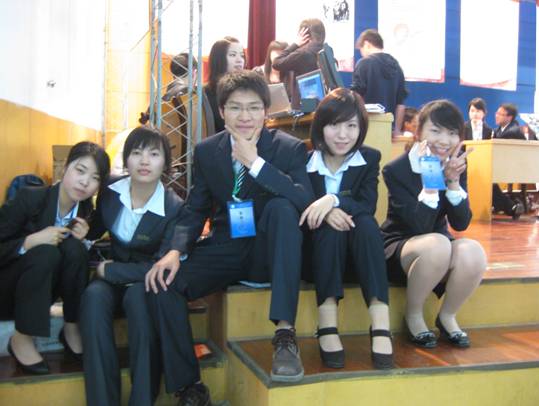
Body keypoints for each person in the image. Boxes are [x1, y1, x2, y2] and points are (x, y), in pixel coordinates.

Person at [144, 70, 314, 405]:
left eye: (253, 107)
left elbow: (303, 200)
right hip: (227, 248)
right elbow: (195, 209)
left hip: (269, 253)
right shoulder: (208, 151)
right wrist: (175, 251)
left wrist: (256, 164)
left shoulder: (288, 148)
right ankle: (190, 387)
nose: (245, 116)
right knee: (164, 283)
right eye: (235, 107)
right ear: (222, 111)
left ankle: (284, 334)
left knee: (282, 208)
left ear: (265, 111)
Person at [80, 127, 183, 406]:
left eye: (154, 154)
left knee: (139, 300)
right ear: (126, 159)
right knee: (92, 297)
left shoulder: (174, 207)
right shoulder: (110, 191)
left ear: (165, 162)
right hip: (111, 282)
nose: (144, 161)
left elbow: (162, 268)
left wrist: (108, 270)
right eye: (136, 153)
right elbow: (94, 228)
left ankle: (142, 399)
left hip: (145, 281)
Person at [381, 99, 487, 349]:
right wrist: (431, 178)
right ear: (418, 131)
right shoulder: (397, 169)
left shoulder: (456, 163)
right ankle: (413, 315)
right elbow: (418, 226)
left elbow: (460, 223)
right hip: (401, 246)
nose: (444, 140)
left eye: (452, 133)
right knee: (438, 244)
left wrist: (452, 182)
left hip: (439, 245)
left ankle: (447, 316)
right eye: (435, 131)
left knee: (473, 251)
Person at [301, 88, 393, 370]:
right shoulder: (303, 160)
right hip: (317, 257)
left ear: (361, 128)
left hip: (358, 257)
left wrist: (332, 200)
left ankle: (380, 322)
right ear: (320, 126)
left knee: (365, 222)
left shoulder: (369, 158)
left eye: (351, 126)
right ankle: (327, 322)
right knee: (330, 226)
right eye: (334, 125)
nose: (343, 135)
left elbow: (367, 204)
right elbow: (299, 205)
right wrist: (326, 213)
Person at [0, 142, 110, 374]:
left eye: (94, 178)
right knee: (45, 251)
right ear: (64, 168)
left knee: (75, 249)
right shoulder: (29, 198)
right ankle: (21, 339)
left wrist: (84, 240)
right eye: (80, 171)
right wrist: (28, 242)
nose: (85, 182)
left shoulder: (84, 212)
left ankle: (71, 328)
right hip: (8, 290)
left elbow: (72, 262)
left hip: (40, 295)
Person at [351, 29, 407, 137]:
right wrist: (396, 130)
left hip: (367, 129)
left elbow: (356, 97)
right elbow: (400, 105)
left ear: (367, 44)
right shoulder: (397, 66)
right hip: (388, 131)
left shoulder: (364, 63)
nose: (362, 54)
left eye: (361, 50)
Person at [272, 18, 326, 108]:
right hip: (320, 103)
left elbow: (276, 63)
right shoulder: (326, 50)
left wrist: (295, 44)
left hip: (303, 106)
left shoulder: (302, 53)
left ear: (304, 35)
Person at [205, 37, 246, 133]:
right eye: (232, 55)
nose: (239, 60)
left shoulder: (247, 88)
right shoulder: (206, 93)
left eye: (242, 55)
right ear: (219, 59)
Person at [492, 103, 525, 219]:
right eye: (496, 113)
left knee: (487, 180)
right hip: (501, 164)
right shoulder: (497, 130)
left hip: (514, 167)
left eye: (500, 114)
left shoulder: (512, 131)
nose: (496, 116)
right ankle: (509, 206)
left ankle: (510, 207)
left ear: (509, 117)